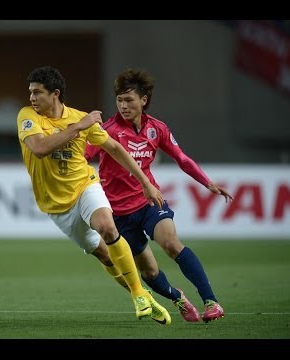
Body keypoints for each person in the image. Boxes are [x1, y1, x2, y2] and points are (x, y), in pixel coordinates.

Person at [17, 65, 171, 325]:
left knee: (107, 228)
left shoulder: (77, 117)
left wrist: (144, 181)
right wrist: (79, 126)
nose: (31, 98)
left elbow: (114, 148)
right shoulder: (28, 116)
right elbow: (40, 148)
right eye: (30, 92)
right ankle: (144, 294)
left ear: (55, 94)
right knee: (103, 253)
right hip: (56, 206)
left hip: (84, 185)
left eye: (38, 92)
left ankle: (138, 296)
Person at [85, 68, 234, 323]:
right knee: (150, 272)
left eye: (129, 100)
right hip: (118, 214)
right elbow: (83, 157)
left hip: (149, 202)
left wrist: (207, 182)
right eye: (119, 100)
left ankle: (212, 302)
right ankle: (178, 298)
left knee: (172, 244)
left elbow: (182, 158)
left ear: (143, 100)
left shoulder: (157, 128)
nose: (123, 105)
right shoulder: (106, 131)